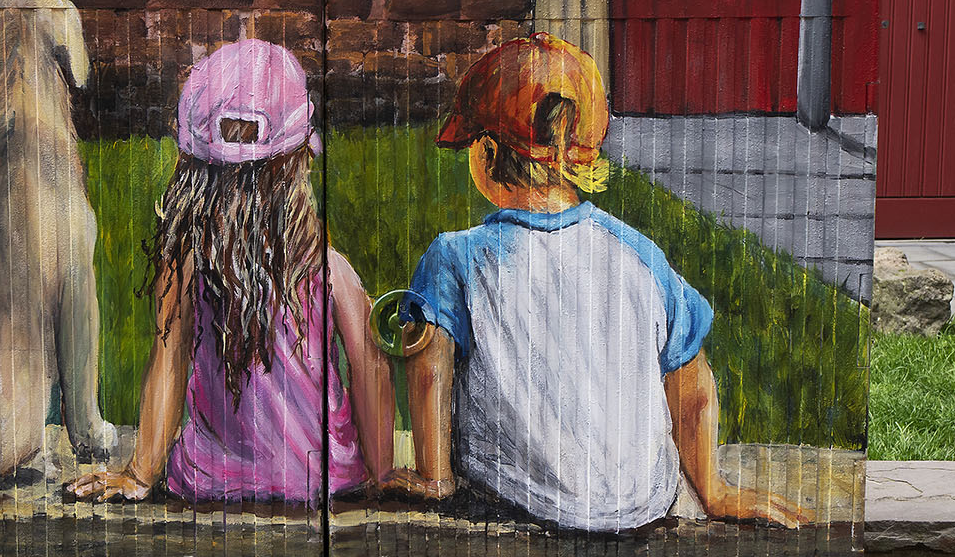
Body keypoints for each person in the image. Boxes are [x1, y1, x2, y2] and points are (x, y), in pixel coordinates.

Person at [387, 32, 808, 531]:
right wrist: (713, 492)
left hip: (517, 497)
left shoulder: (455, 256)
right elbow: (692, 388)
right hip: (640, 503)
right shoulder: (640, 255)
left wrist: (436, 478)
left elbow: (429, 370)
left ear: (487, 152)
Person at [69, 39, 392, 505]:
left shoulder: (186, 263)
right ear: (299, 161)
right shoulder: (329, 270)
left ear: (192, 171)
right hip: (323, 478)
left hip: (209, 479)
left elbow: (168, 363)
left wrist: (139, 475)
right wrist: (383, 474)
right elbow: (370, 369)